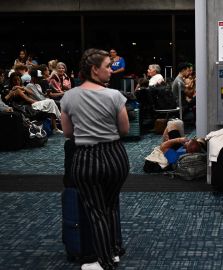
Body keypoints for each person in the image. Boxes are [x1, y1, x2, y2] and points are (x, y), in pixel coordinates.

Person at [61, 48, 130, 270]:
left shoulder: (69, 96)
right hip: (115, 157)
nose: (112, 70)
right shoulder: (115, 96)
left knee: (96, 210)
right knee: (110, 207)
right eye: (108, 66)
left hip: (86, 158)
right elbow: (125, 130)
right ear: (94, 69)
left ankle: (103, 262)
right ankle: (112, 252)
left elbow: (68, 133)